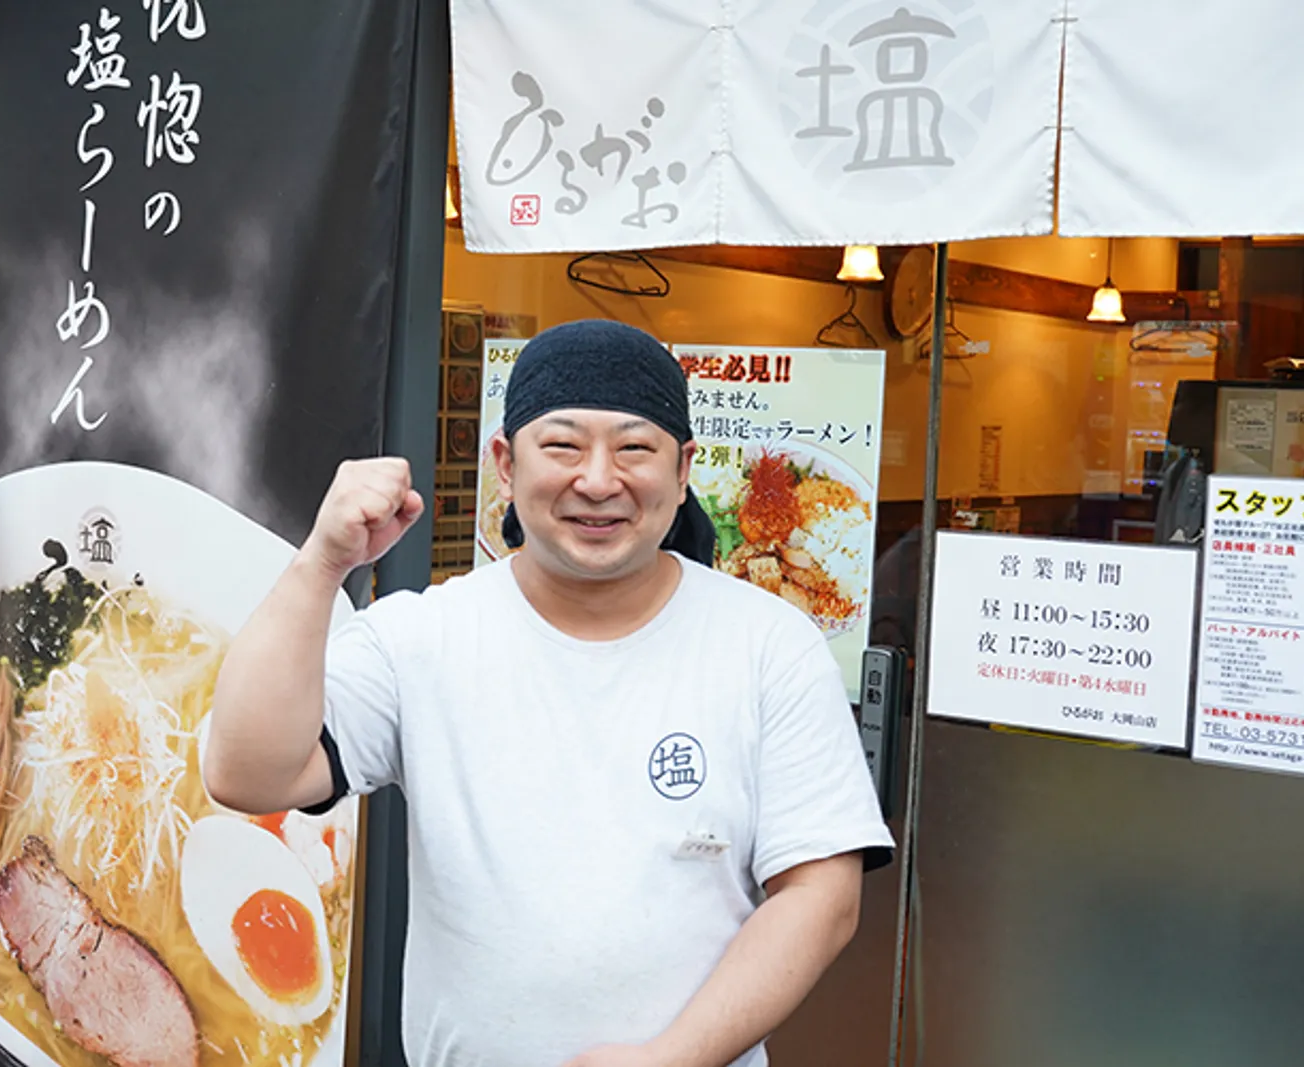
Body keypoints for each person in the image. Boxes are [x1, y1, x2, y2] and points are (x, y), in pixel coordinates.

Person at [204, 319, 894, 1067]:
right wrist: (322, 561)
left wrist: (669, 1058)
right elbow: (247, 773)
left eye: (635, 448)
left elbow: (822, 898)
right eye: (562, 446)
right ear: (505, 461)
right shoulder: (425, 636)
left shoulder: (768, 643)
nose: (598, 480)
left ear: (685, 466)